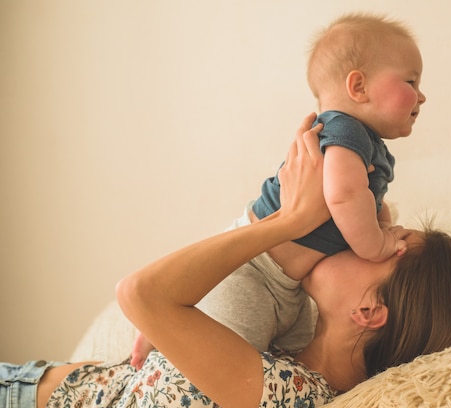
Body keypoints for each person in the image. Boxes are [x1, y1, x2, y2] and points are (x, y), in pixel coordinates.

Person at [0, 115, 451, 408]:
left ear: (370, 311)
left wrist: (290, 221)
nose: (367, 232)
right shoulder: (297, 336)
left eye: (384, 244)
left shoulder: (288, 396)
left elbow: (139, 294)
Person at [131, 12, 428, 368]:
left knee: (284, 357)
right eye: (411, 81)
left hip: (288, 285)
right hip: (255, 271)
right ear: (358, 87)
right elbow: (342, 196)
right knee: (226, 358)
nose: (421, 97)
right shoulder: (344, 132)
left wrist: (382, 222)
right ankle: (157, 351)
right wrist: (377, 244)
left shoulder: (368, 145)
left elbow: (367, 200)